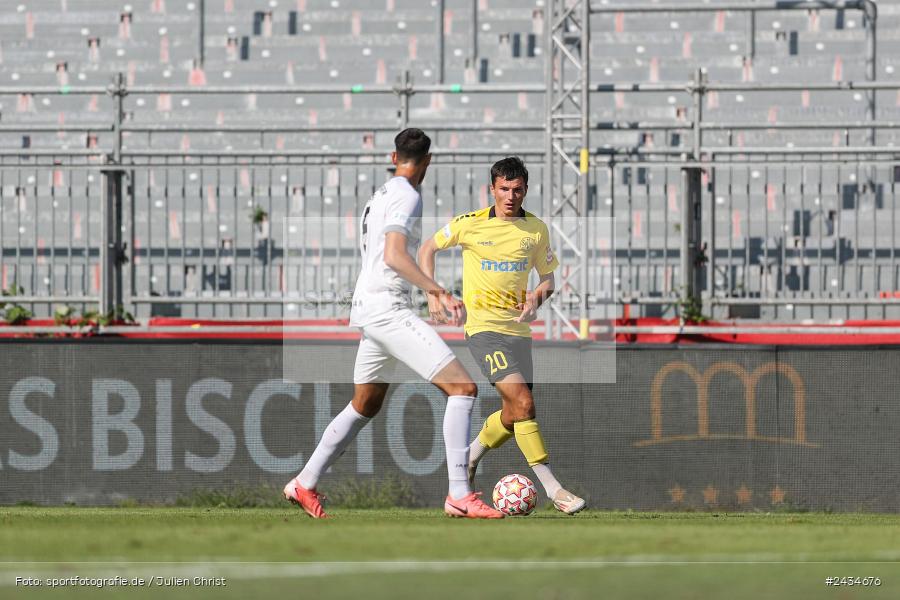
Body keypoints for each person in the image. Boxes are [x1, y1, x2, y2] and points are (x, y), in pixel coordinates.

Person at [283, 128, 503, 519]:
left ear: (393, 155)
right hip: (386, 308)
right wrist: (437, 291)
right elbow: (395, 254)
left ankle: (304, 482)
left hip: (369, 307)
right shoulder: (407, 195)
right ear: (429, 161)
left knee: (365, 402)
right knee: (463, 389)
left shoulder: (380, 195)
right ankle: (458, 494)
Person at [418, 156, 586, 515]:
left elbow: (549, 280)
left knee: (514, 412)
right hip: (483, 330)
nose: (510, 196)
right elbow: (427, 248)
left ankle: (470, 460)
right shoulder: (470, 224)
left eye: (518, 189)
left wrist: (536, 297)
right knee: (525, 404)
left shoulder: (536, 230)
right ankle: (555, 490)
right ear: (491, 189)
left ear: (526, 190)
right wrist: (433, 292)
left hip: (518, 333)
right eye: (504, 189)